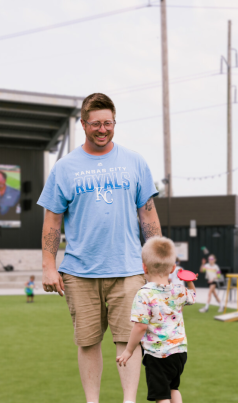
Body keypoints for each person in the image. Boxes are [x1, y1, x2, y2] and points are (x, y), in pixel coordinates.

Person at [38, 93, 161, 403]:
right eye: (96, 124)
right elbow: (52, 221)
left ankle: (128, 400)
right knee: (88, 341)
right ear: (83, 124)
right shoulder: (65, 168)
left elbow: (147, 213)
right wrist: (49, 266)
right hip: (80, 270)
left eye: (108, 123)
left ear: (114, 123)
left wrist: (159, 264)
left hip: (130, 268)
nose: (103, 129)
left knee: (128, 339)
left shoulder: (135, 162)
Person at [117, 237, 197, 403]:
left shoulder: (144, 294)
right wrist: (189, 282)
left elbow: (140, 326)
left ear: (144, 267)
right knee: (173, 389)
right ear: (174, 268)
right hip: (180, 353)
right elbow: (193, 297)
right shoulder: (178, 290)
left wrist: (129, 350)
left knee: (161, 396)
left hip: (158, 355)